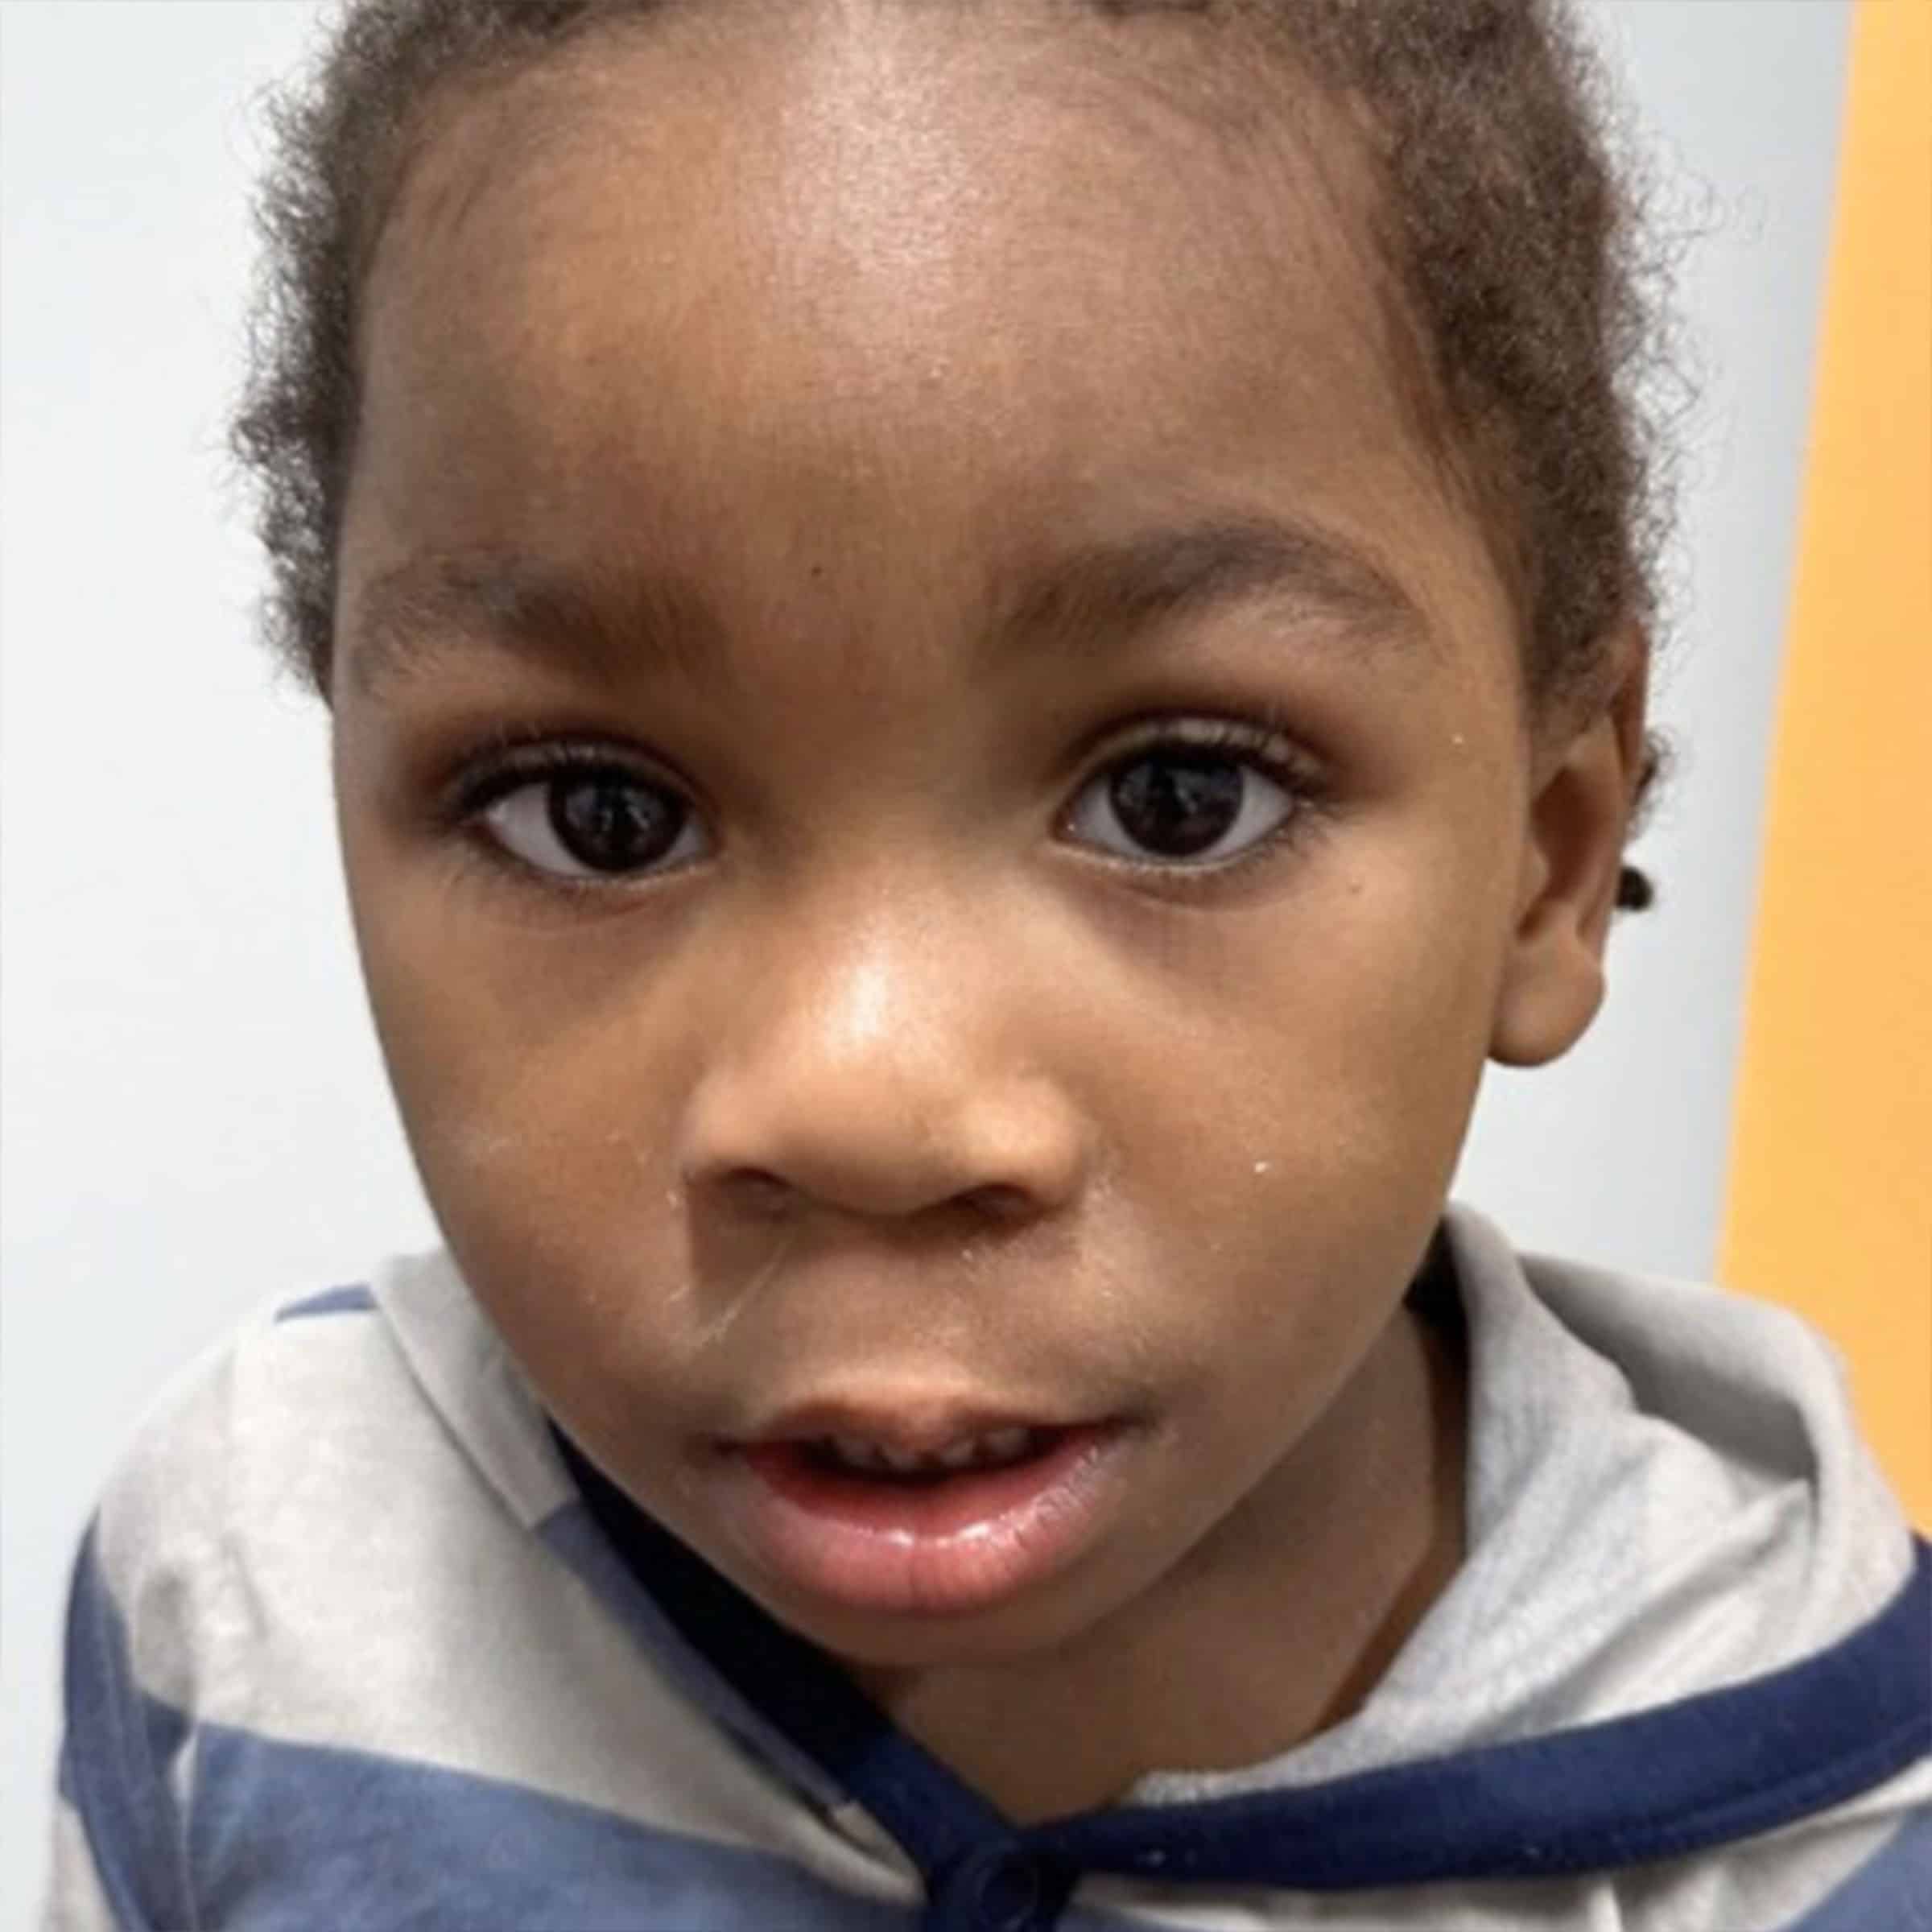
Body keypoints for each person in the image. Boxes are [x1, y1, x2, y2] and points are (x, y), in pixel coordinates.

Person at [44, 0, 1929, 1926]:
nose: (863, 1099)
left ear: (1552, 856)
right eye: (598, 813)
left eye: (1182, 799)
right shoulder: (255, 1599)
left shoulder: (1836, 1853)